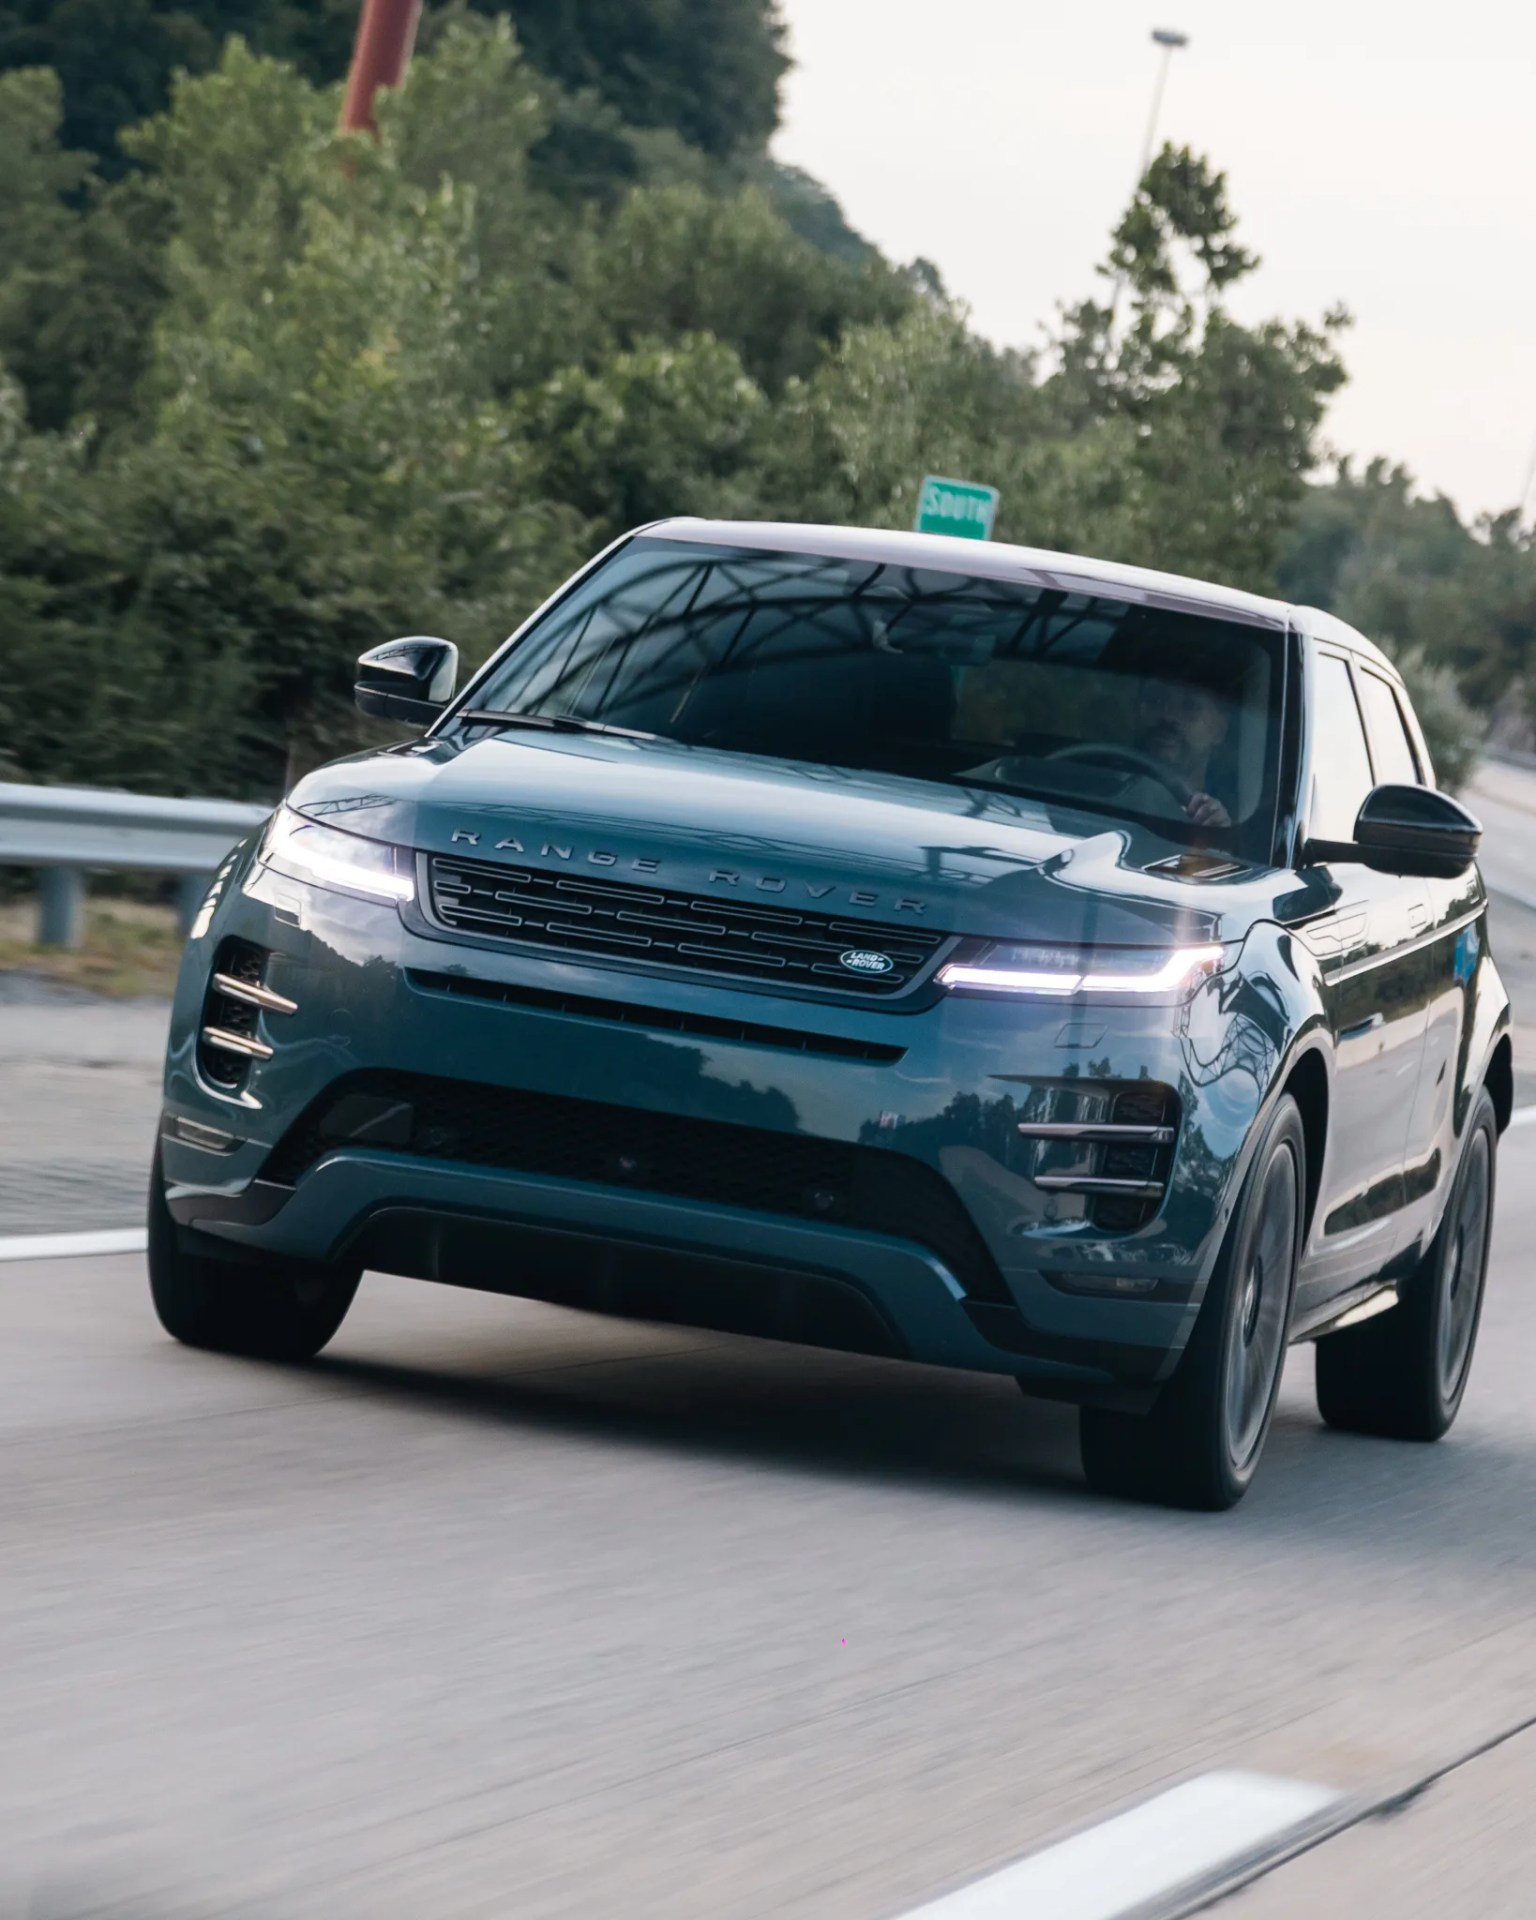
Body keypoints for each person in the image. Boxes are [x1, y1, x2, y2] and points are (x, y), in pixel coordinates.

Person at [1133, 674, 1232, 829]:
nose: (1168, 716)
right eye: (1155, 700)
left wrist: (1217, 835)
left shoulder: (1237, 814)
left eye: (1190, 706)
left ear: (1219, 730)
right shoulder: (1102, 785)